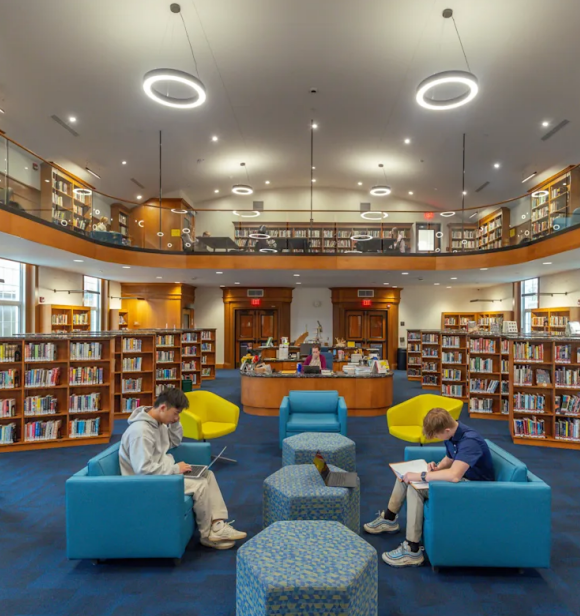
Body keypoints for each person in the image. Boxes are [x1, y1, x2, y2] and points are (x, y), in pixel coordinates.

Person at [364, 408, 495, 567]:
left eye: (437, 435)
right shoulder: (453, 433)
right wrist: (438, 467)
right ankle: (389, 519)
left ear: (446, 430)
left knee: (415, 487)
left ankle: (412, 550)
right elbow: (450, 458)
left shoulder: (470, 442)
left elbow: (454, 475)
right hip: (463, 479)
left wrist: (422, 476)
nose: (436, 439)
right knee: (405, 476)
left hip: (476, 489)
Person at [119, 388, 247, 550]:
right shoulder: (140, 432)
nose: (177, 417)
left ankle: (218, 524)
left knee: (207, 475)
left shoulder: (158, 423)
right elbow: (143, 470)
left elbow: (174, 442)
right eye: (176, 413)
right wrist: (175, 469)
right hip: (145, 483)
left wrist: (174, 424)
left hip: (161, 475)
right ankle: (207, 535)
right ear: (163, 407)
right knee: (200, 485)